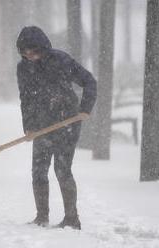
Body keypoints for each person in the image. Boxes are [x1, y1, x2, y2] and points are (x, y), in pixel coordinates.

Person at [16, 26, 97, 230]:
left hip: (66, 122)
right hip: (42, 125)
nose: (30, 56)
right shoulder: (23, 68)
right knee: (38, 171)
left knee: (62, 169)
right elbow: (26, 99)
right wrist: (29, 127)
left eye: (33, 52)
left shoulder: (61, 60)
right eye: (25, 53)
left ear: (43, 48)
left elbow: (89, 82)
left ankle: (72, 218)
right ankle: (41, 217)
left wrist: (85, 109)